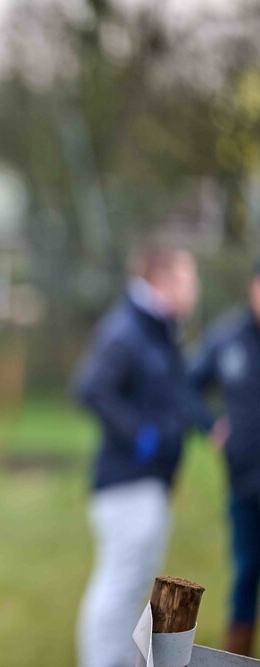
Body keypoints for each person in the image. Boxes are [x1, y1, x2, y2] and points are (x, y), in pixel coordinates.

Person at [73, 244, 201, 667]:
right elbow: (92, 389)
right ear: (163, 280)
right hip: (127, 483)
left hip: (150, 484)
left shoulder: (159, 330)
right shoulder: (128, 329)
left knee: (134, 588)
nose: (195, 288)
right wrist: (142, 436)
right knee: (118, 585)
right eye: (189, 278)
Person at [189, 263, 260, 656]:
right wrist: (211, 424)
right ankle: (239, 654)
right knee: (247, 571)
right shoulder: (228, 338)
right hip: (244, 481)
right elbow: (189, 384)